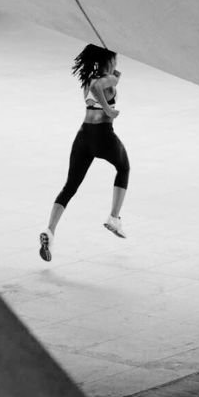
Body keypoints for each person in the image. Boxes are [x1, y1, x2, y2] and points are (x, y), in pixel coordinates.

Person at [39, 44, 130, 262]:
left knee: (70, 186)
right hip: (103, 135)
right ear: (108, 61)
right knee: (123, 167)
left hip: (83, 137)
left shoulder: (88, 79)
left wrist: (116, 76)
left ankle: (50, 232)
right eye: (115, 60)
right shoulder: (103, 80)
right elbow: (101, 86)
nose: (116, 64)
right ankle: (114, 217)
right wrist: (109, 110)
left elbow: (99, 84)